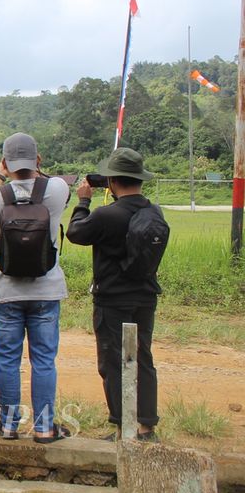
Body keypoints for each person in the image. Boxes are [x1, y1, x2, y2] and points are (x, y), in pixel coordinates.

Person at [66, 147, 165, 442]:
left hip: (112, 299)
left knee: (113, 362)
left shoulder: (106, 215)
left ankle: (125, 429)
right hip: (145, 297)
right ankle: (145, 428)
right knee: (142, 358)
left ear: (112, 182)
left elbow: (75, 233)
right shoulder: (153, 211)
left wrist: (83, 201)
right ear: (139, 179)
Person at [0, 132, 70, 443]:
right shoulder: (56, 189)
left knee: (7, 358)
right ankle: (45, 427)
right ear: (38, 160)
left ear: (5, 162)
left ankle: (9, 424)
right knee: (43, 359)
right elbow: (50, 182)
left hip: (7, 290)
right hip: (46, 289)